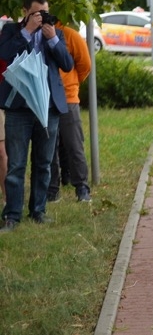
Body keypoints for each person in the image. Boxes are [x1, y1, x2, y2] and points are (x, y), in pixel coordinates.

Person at [0, 0, 74, 232]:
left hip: (48, 108)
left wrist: (52, 40)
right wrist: (27, 32)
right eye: (37, 13)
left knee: (43, 163)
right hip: (18, 109)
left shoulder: (56, 33)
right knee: (16, 164)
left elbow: (67, 64)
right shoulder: (11, 31)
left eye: (46, 12)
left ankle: (38, 210)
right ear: (25, 12)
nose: (43, 17)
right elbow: (4, 55)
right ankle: (12, 215)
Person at [46, 20, 92, 202]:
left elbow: (85, 64)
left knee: (74, 145)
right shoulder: (35, 33)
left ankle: (82, 187)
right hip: (46, 100)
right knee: (49, 147)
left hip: (67, 99)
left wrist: (71, 84)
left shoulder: (70, 35)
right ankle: (52, 189)